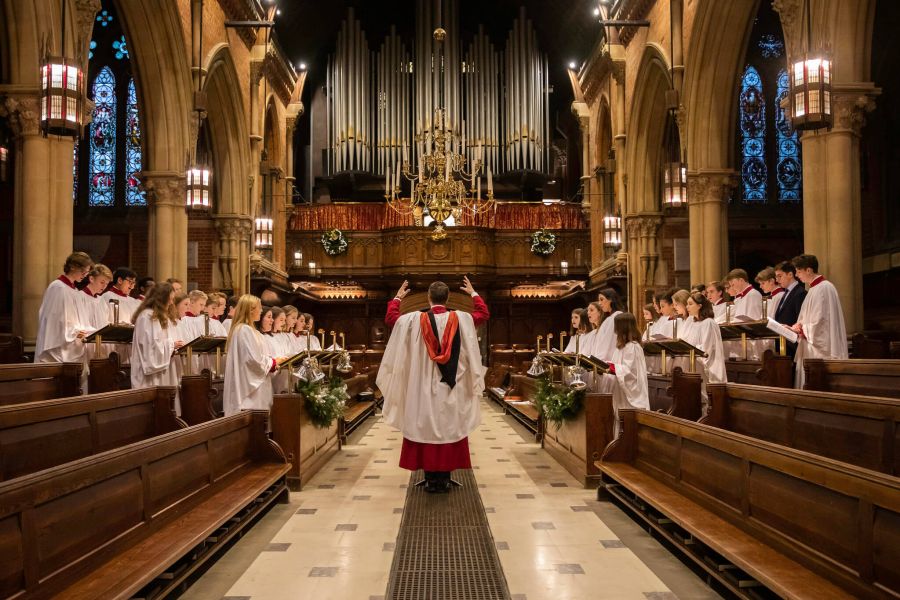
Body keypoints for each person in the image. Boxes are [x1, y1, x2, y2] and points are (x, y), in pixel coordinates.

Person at [377, 279, 486, 494]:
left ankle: (430, 478)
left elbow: (391, 318)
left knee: (425, 425)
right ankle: (444, 478)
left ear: (429, 297)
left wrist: (398, 297)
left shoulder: (413, 320)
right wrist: (474, 294)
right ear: (447, 298)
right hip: (450, 386)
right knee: (448, 425)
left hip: (422, 387)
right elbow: (483, 314)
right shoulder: (461, 319)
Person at [790, 254, 848, 388]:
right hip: (811, 344)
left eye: (799, 271)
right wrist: (798, 325)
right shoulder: (814, 289)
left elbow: (821, 323)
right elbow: (808, 318)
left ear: (808, 270)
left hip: (820, 349)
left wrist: (801, 329)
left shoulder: (823, 288)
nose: (797, 275)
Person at [223, 295, 283, 416]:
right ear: (250, 310)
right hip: (250, 393)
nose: (261, 311)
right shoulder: (244, 330)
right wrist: (274, 362)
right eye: (259, 308)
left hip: (257, 388)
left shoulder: (249, 330)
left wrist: (273, 361)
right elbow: (252, 361)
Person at [131, 283, 184, 410]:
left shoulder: (159, 316)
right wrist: (172, 344)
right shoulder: (147, 316)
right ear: (161, 298)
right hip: (150, 375)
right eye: (170, 299)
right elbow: (151, 348)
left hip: (163, 369)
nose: (171, 303)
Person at [34, 251, 93, 364]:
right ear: (72, 267)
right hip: (57, 347)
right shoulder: (58, 287)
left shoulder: (74, 290)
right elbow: (53, 321)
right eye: (83, 271)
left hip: (73, 343)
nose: (85, 275)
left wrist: (82, 330)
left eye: (87, 272)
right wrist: (75, 332)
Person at [605, 313, 649, 435]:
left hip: (630, 393)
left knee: (628, 423)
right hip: (621, 391)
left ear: (622, 327)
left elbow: (630, 372)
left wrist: (612, 368)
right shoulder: (621, 347)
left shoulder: (633, 347)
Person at [587, 288, 623, 362]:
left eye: (601, 299)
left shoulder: (616, 316)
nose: (599, 303)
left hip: (608, 361)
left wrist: (598, 361)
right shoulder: (609, 319)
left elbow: (608, 343)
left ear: (611, 299)